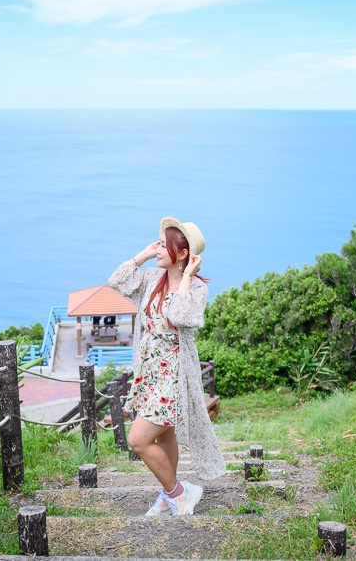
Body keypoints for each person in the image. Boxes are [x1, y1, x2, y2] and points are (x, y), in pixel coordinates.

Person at [108, 217, 225, 516]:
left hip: (173, 379)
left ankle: (180, 492)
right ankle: (169, 493)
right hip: (149, 376)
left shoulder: (196, 289)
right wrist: (144, 254)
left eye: (163, 245)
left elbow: (180, 316)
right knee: (164, 436)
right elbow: (117, 281)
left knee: (137, 439)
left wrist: (185, 277)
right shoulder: (149, 279)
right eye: (157, 243)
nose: (158, 249)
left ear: (183, 254)